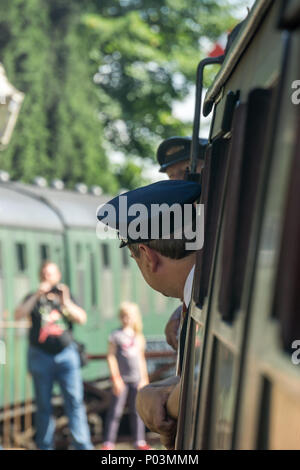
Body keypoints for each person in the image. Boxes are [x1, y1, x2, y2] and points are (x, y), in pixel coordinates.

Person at [97, 179, 201, 449]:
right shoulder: (202, 296)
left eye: (135, 259)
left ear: (147, 255)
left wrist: (165, 400)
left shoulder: (204, 304)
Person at [15, 261, 93, 450]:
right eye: (44, 275)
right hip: (40, 356)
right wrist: (36, 295)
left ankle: (82, 445)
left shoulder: (65, 297)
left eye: (50, 274)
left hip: (66, 355)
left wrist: (65, 300)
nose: (47, 278)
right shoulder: (33, 297)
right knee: (43, 405)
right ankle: (45, 446)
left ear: (58, 276)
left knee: (74, 401)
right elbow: (19, 314)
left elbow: (82, 318)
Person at [157, 136, 206, 352]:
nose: (178, 181)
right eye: (171, 176)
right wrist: (182, 311)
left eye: (186, 170)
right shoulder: (190, 220)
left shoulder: (220, 211)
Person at [102, 301, 151, 450]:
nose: (126, 319)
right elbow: (110, 357)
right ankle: (108, 442)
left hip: (137, 379)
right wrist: (115, 378)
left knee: (137, 412)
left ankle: (139, 441)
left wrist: (144, 378)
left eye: (129, 316)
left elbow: (141, 359)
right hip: (122, 380)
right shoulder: (115, 335)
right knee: (115, 411)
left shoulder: (138, 337)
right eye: (123, 316)